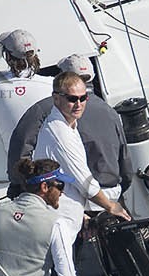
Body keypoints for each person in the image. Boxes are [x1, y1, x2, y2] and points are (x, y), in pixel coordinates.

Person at [33, 67, 130, 276]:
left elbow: (70, 185)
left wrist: (84, 216)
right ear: (57, 99)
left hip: (68, 222)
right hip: (58, 230)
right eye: (71, 98)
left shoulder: (67, 127)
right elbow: (84, 181)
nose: (78, 104)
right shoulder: (59, 132)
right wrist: (112, 206)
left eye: (83, 98)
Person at [7, 51, 127, 198]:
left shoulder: (42, 109)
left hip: (71, 198)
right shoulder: (110, 112)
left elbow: (21, 147)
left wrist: (20, 185)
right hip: (111, 193)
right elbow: (124, 160)